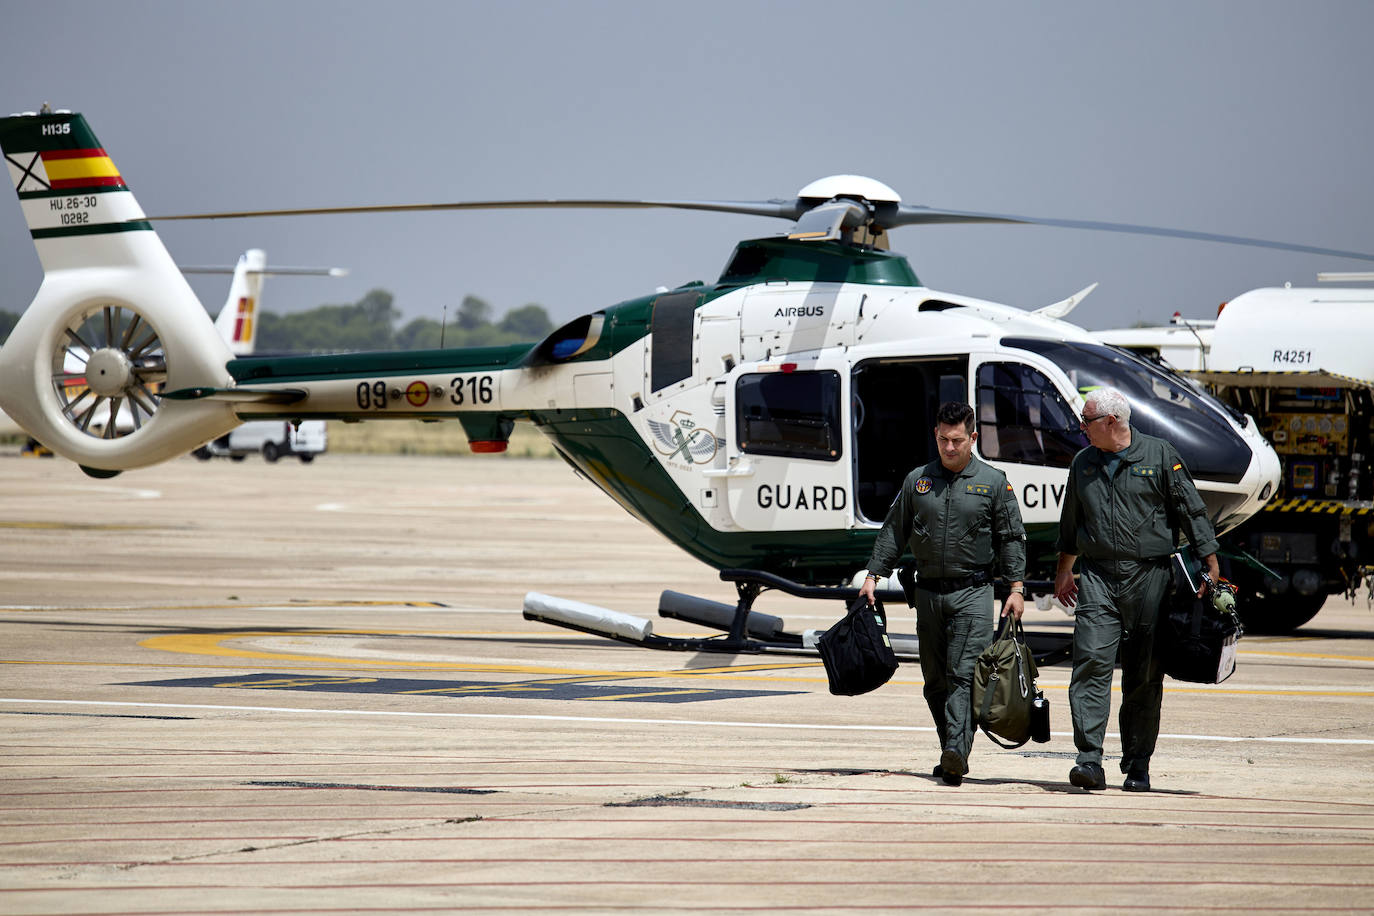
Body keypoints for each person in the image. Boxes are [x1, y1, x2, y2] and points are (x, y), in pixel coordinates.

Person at [1053, 387, 1219, 793]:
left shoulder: (1160, 455)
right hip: (1097, 577)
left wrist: (1211, 563)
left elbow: (1191, 510)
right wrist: (1064, 572)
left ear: (1112, 422)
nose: (1080, 428)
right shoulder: (1083, 463)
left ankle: (1138, 763)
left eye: (1086, 421)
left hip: (1150, 578)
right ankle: (1089, 759)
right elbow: (1071, 522)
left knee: (1144, 674)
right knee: (1091, 662)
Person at [860, 401, 1026, 787]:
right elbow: (893, 531)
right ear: (935, 436)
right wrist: (873, 575)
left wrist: (1015, 588)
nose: (949, 448)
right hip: (928, 595)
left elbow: (1012, 538)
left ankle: (956, 751)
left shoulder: (994, 482)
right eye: (942, 440)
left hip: (973, 593)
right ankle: (950, 748)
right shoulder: (918, 481)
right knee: (935, 682)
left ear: (973, 438)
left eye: (957, 440)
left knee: (963, 675)